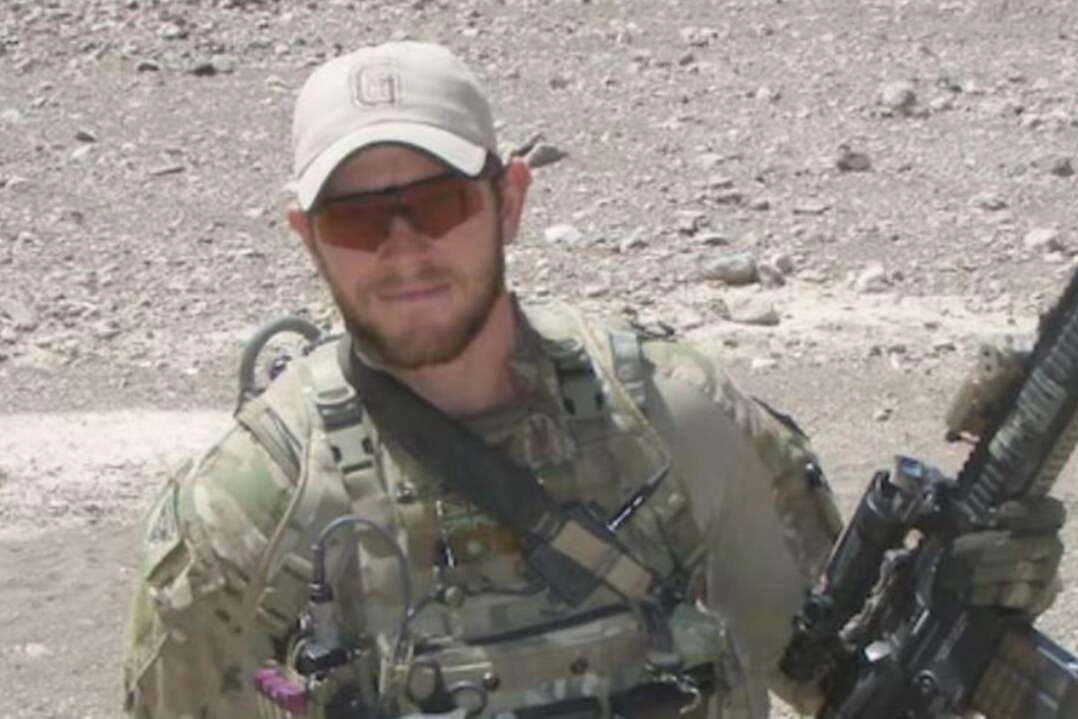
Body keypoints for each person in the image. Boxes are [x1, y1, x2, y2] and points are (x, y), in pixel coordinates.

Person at [122, 42, 1064, 718]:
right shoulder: (248, 508)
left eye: (438, 203)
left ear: (509, 200)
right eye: (358, 220)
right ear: (307, 237)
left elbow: (835, 671)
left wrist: (967, 601)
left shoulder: (674, 417)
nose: (402, 250)